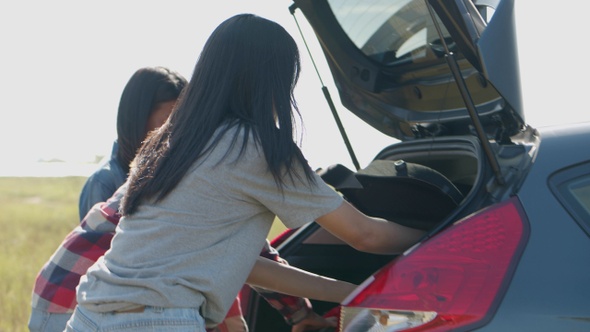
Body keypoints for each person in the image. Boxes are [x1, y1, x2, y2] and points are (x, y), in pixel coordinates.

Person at [65, 13, 425, 331]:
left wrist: (349, 293)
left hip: (90, 313)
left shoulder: (167, 142)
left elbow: (243, 265)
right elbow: (365, 235)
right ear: (274, 81)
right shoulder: (256, 148)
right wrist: (441, 231)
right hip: (157, 319)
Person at [29, 66, 331, 332]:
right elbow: (158, 271)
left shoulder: (194, 172)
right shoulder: (108, 181)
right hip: (70, 302)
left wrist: (298, 312)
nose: (177, 132)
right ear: (136, 121)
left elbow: (235, 248)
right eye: (166, 123)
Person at [77, 66, 187, 220]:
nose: (176, 132)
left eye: (182, 123)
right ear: (139, 119)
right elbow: (97, 242)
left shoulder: (176, 172)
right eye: (167, 123)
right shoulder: (104, 183)